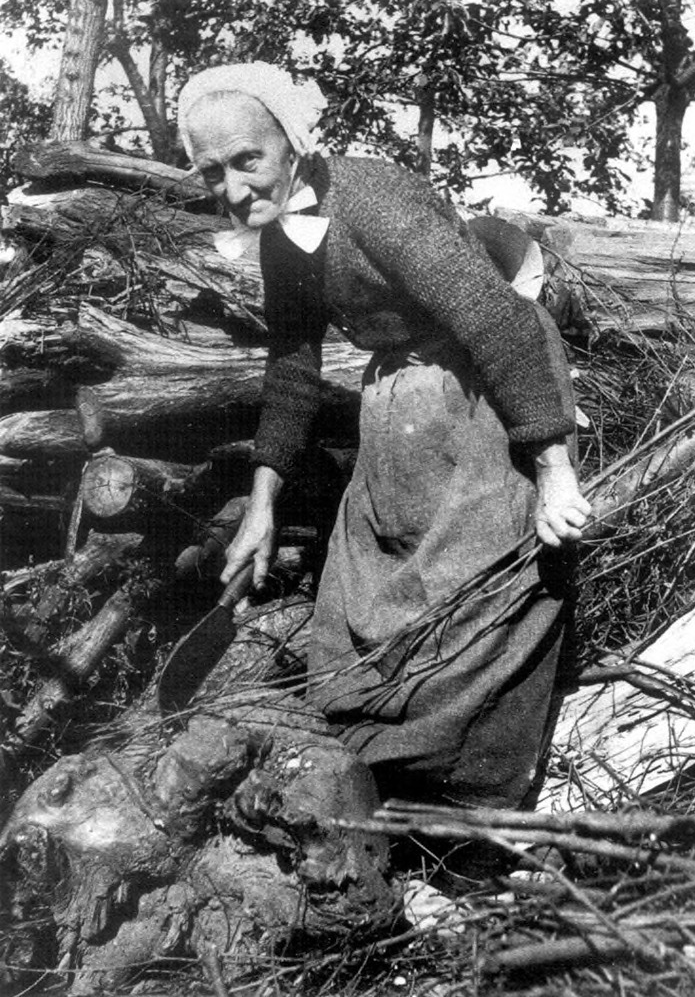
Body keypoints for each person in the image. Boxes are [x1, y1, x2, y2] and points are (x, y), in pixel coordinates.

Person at [177, 62, 591, 821]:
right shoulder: (280, 236)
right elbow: (292, 368)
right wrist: (262, 505)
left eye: (247, 160)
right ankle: (375, 789)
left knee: (479, 582)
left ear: (292, 143)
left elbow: (496, 319)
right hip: (398, 399)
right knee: (366, 579)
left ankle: (468, 810)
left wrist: (553, 468)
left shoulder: (371, 199)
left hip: (484, 387)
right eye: (213, 173)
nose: (233, 189)